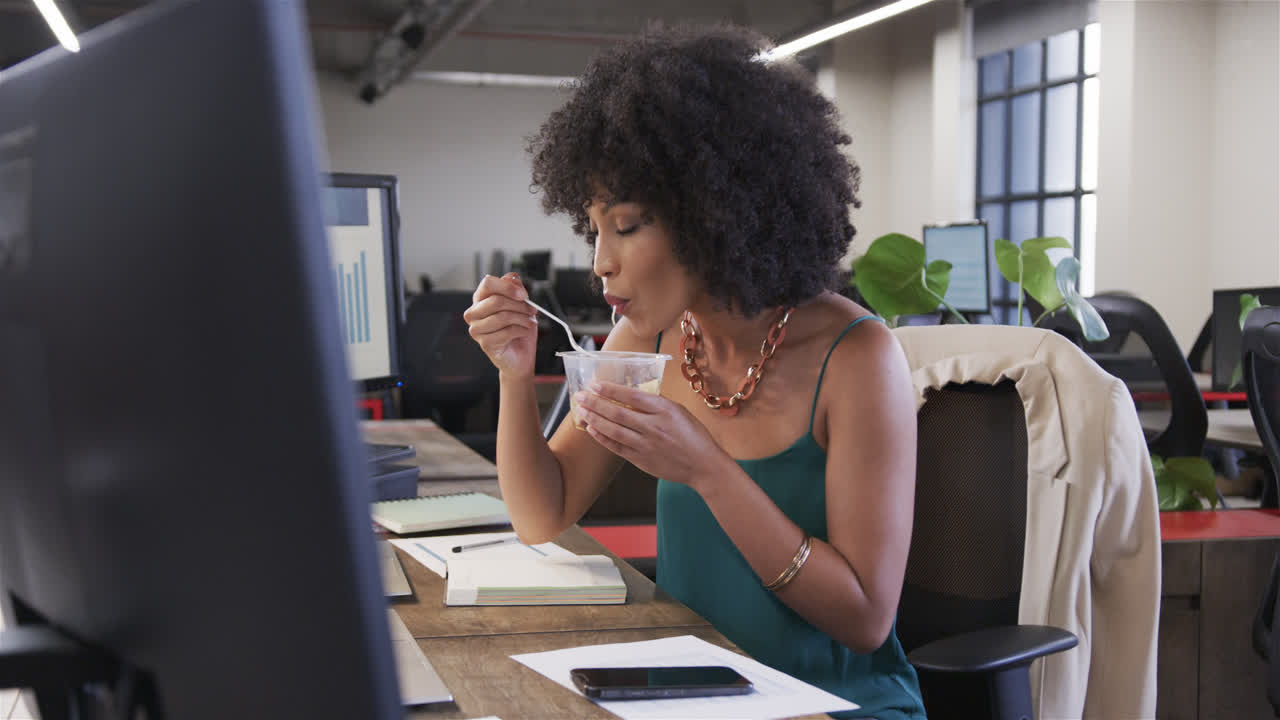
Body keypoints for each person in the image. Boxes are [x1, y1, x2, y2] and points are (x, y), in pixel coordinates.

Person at [463, 25, 924, 720]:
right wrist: (513, 374)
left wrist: (708, 470)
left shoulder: (859, 359)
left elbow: (865, 620)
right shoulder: (649, 339)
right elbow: (541, 514)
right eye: (594, 229)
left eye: (627, 226)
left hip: (837, 706)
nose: (600, 262)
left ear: (715, 212)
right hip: (693, 698)